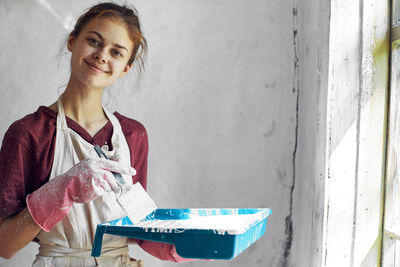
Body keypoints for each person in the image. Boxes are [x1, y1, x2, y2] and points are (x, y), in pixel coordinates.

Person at [0, 2, 193, 266]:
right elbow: (4, 244)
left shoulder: (132, 135)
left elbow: (138, 226)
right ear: (72, 41)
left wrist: (185, 246)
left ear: (126, 67)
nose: (102, 55)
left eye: (116, 52)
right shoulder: (28, 134)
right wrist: (60, 191)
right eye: (94, 41)